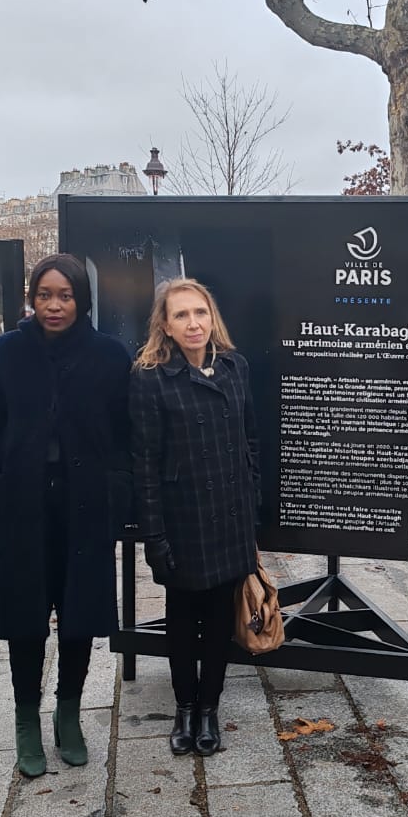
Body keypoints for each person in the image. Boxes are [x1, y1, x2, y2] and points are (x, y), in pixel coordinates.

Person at [0, 254, 131, 778]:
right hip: (22, 505)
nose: (54, 305)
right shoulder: (11, 350)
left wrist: (117, 487)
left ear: (81, 300)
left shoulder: (108, 355)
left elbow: (127, 431)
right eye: (44, 295)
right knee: (25, 615)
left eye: (65, 296)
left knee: (79, 612)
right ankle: (24, 719)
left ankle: (69, 713)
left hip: (85, 506)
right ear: (31, 299)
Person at [130, 278, 260, 758]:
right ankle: (184, 706)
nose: (193, 323)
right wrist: (154, 535)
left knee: (221, 618)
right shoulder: (148, 377)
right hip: (182, 517)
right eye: (181, 315)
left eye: (200, 313)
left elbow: (252, 442)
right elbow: (143, 463)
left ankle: (209, 708)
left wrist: (252, 504)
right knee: (182, 620)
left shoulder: (235, 367)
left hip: (229, 516)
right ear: (164, 324)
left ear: (213, 317)